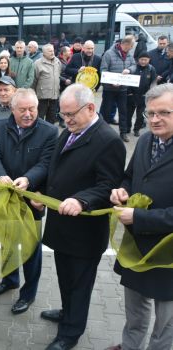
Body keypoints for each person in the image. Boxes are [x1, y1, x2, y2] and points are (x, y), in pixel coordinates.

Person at [35, 84, 125, 350]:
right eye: (63, 115)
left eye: (71, 114)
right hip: (62, 225)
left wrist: (82, 200)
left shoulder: (109, 141)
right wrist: (41, 194)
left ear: (91, 108)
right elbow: (56, 168)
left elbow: (108, 185)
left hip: (84, 233)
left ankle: (70, 333)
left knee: (80, 283)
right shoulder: (70, 131)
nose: (66, 120)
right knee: (65, 276)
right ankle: (67, 312)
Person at [107, 83, 173, 350]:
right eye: (150, 114)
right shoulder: (145, 139)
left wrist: (140, 219)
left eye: (164, 113)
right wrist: (122, 189)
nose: (155, 119)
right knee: (135, 308)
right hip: (136, 245)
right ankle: (130, 346)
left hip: (167, 251)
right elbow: (130, 175)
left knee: (165, 321)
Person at [0, 88, 57, 315]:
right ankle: (10, 279)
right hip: (4, 197)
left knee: (31, 250)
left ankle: (28, 294)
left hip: (31, 200)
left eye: (32, 109)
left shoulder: (49, 131)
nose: (28, 114)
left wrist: (28, 179)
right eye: (23, 109)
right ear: (12, 109)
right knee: (6, 242)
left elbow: (46, 164)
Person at [100, 35, 136, 142]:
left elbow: (134, 65)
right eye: (131, 45)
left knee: (123, 111)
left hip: (123, 89)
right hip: (109, 89)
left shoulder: (129, 54)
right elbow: (103, 70)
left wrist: (129, 70)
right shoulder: (109, 54)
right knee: (106, 112)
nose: (132, 47)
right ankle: (104, 133)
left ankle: (123, 132)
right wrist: (111, 82)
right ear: (125, 44)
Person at [126, 52, 156, 137]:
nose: (143, 61)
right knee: (128, 113)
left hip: (144, 96)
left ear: (149, 60)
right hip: (132, 95)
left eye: (145, 60)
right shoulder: (133, 68)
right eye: (141, 59)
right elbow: (127, 81)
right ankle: (127, 128)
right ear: (138, 60)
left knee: (140, 115)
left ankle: (136, 129)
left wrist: (151, 94)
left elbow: (153, 83)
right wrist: (129, 93)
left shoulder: (151, 69)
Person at [32, 44, 61, 124]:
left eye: (53, 50)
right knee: (39, 119)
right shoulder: (37, 63)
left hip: (54, 96)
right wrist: (33, 94)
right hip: (42, 97)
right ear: (44, 53)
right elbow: (34, 80)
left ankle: (50, 135)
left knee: (52, 119)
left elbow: (59, 75)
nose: (52, 52)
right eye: (50, 51)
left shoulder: (57, 62)